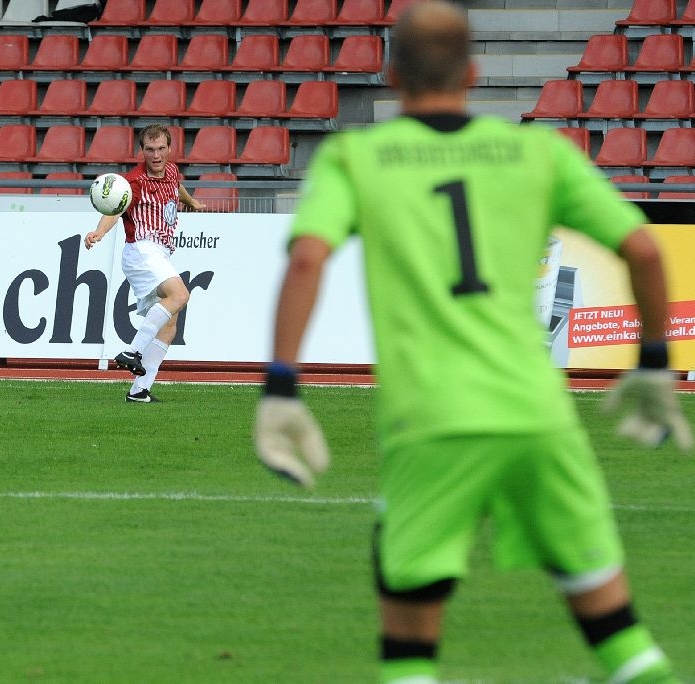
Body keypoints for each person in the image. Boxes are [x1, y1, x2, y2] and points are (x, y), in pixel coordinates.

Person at [253, 2, 692, 682]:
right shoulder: (536, 151)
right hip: (537, 416)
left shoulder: (356, 157)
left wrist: (281, 386)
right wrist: (655, 363)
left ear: (392, 75)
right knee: (622, 639)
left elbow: (308, 259)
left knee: (409, 655)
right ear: (474, 72)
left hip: (431, 423)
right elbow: (643, 247)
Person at [84, 124, 205, 403]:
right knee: (180, 294)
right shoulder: (134, 183)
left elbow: (178, 188)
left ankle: (139, 391)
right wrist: (99, 232)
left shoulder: (172, 171)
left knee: (170, 324)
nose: (156, 155)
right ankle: (133, 351)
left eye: (161, 148)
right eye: (150, 149)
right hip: (141, 249)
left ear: (170, 149)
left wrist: (193, 202)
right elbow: (115, 209)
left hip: (159, 253)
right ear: (142, 151)